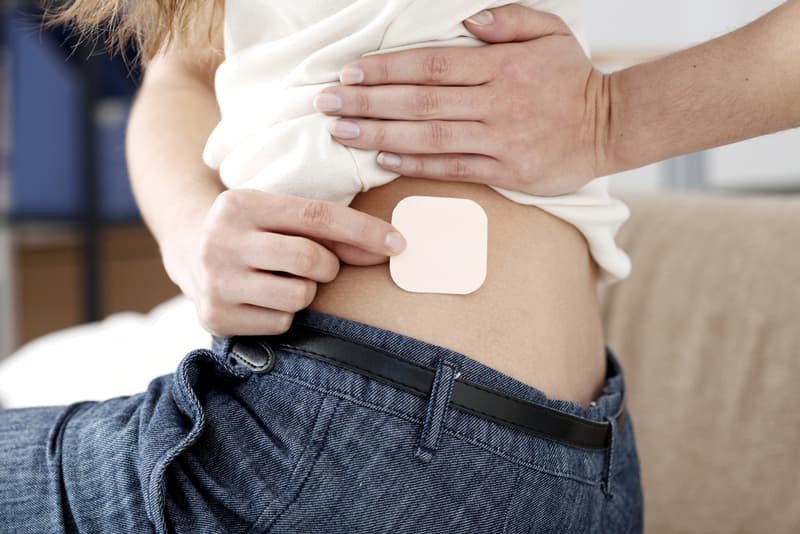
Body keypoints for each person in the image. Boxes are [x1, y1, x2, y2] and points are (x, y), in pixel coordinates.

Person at [10, 0, 797, 530]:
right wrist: (189, 231)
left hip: (354, 432)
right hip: (579, 464)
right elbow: (185, 66)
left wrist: (612, 117)